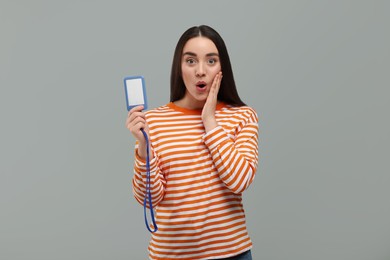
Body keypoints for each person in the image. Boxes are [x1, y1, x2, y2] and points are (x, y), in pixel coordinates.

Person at [126, 25, 259, 260]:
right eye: (190, 61)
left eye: (211, 61)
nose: (200, 71)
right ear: (180, 68)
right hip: (170, 255)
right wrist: (144, 151)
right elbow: (148, 199)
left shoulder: (243, 116)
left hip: (232, 254)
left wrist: (210, 121)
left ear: (222, 68)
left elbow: (239, 181)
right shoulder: (154, 121)